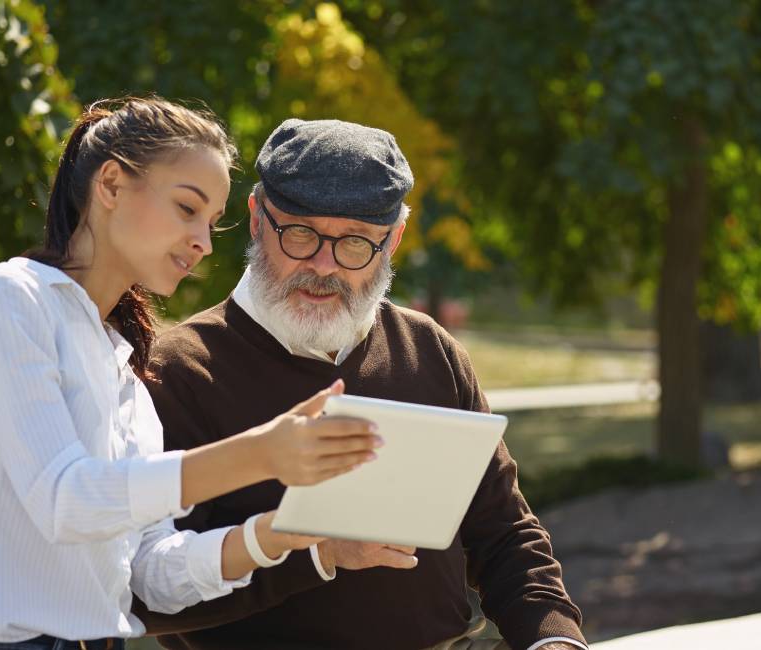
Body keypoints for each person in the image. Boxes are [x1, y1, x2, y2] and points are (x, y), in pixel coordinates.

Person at [0, 99, 382, 650]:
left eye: (211, 223)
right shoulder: (9, 298)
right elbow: (66, 499)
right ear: (110, 184)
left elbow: (148, 573)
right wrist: (261, 453)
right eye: (187, 208)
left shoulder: (127, 371)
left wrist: (280, 534)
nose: (204, 243)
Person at [136, 119, 587, 650]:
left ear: (393, 239)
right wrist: (316, 554)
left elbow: (504, 534)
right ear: (258, 218)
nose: (324, 266)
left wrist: (554, 640)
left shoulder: (432, 352)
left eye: (355, 243)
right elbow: (146, 595)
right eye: (300, 234)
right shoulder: (175, 370)